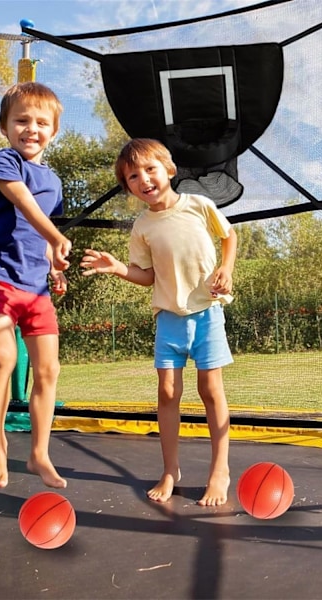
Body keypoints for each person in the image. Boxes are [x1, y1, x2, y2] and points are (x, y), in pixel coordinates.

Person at [81, 138, 237, 506]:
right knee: (167, 392)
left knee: (210, 390)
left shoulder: (199, 205)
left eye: (149, 169)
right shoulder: (142, 227)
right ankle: (170, 470)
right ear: (129, 187)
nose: (143, 179)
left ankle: (220, 471)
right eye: (133, 176)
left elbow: (229, 237)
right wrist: (119, 268)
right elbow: (147, 275)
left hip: (207, 312)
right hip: (169, 316)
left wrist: (226, 270)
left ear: (168, 169)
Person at [0, 82, 72, 489]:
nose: (31, 129)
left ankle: (39, 452)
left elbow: (42, 237)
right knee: (4, 358)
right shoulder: (5, 162)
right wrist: (58, 237)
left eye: (42, 123)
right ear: (5, 126)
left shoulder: (55, 182)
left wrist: (54, 266)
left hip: (36, 290)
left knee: (48, 370)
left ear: (53, 131)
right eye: (21, 120)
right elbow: (21, 200)